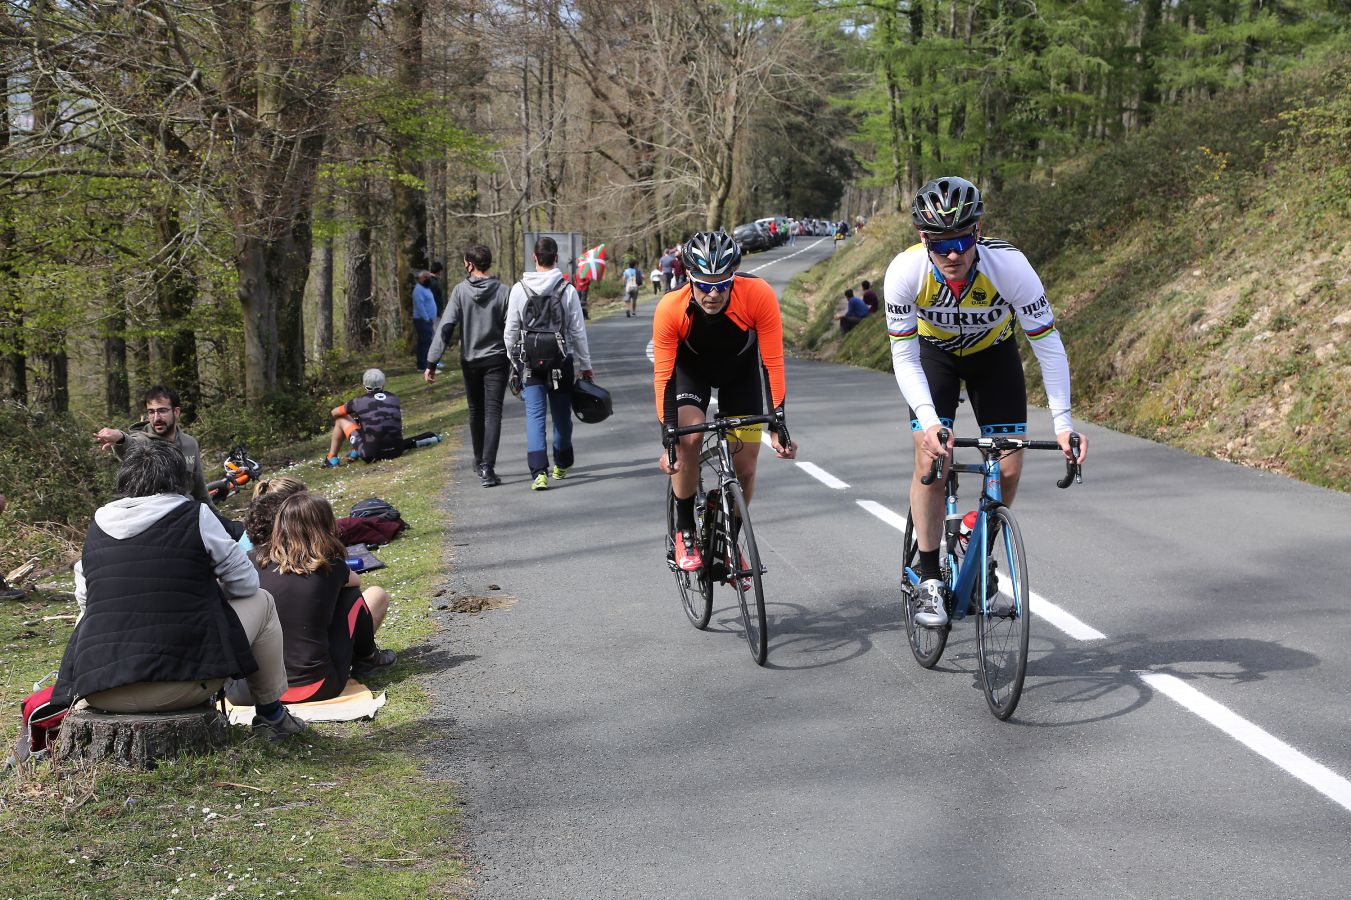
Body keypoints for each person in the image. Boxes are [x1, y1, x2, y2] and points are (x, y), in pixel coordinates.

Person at [884, 175, 1089, 628]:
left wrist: (1063, 424)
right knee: (931, 456)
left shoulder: (1010, 267)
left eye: (962, 240)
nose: (952, 254)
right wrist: (928, 421)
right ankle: (930, 575)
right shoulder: (905, 271)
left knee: (1008, 467)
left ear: (978, 231)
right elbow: (903, 355)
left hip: (993, 355)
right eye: (940, 244)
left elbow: (1048, 346)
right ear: (922, 238)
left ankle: (979, 546)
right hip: (932, 356)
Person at [49, 439, 304, 741]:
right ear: (177, 479)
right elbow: (246, 583)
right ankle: (272, 716)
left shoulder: (97, 525)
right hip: (181, 686)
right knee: (262, 600)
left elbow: (86, 602)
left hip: (99, 690)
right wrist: (200, 590)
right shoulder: (195, 515)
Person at [653, 230, 797, 571]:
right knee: (689, 437)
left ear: (734, 276)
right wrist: (669, 439)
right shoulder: (671, 307)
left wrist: (778, 423)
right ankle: (685, 529)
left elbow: (772, 362)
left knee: (745, 468)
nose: (714, 293)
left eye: (723, 284)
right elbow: (664, 377)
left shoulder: (758, 294)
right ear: (690, 276)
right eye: (705, 285)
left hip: (739, 374)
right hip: (691, 374)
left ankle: (730, 539)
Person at [254, 492, 395, 702]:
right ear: (326, 526)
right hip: (314, 687)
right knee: (352, 596)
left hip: (252, 691)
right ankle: (368, 658)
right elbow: (355, 581)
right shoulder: (329, 566)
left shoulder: (253, 561)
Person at [504, 236, 595, 491]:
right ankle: (562, 463)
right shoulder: (567, 290)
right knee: (561, 414)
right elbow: (577, 332)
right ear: (556, 258)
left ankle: (539, 472)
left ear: (534, 257)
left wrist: (514, 360)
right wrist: (585, 365)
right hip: (561, 361)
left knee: (535, 415)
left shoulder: (519, 289)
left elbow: (510, 331)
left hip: (530, 362)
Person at [425, 242, 511, 488]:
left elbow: (446, 327)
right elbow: (512, 329)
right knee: (493, 413)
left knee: (476, 410)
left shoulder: (460, 291)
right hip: (497, 358)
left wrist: (432, 361)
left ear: (470, 265)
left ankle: (479, 460)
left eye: (465, 261)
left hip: (471, 360)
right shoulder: (504, 291)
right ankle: (487, 468)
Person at [325, 369, 403, 466]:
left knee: (341, 419)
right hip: (397, 451)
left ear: (364, 385)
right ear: (384, 383)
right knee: (368, 421)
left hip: (371, 455)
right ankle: (355, 451)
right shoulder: (394, 398)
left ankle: (331, 458)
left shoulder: (358, 401)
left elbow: (334, 413)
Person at [412, 270, 438, 371]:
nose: (429, 279)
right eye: (426, 277)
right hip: (422, 320)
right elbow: (420, 306)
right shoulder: (418, 290)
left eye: (429, 277)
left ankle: (423, 364)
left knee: (425, 342)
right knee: (425, 343)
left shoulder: (426, 288)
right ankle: (424, 365)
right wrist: (426, 318)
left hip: (428, 320)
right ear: (421, 278)